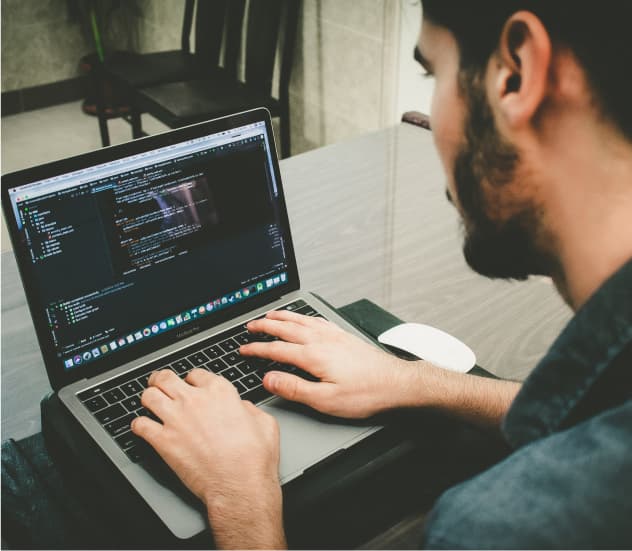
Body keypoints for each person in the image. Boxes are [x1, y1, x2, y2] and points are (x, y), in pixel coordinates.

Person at [131, 1, 632, 548]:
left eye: (432, 74)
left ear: (515, 72)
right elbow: (593, 404)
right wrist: (413, 380)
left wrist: (240, 496)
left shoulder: (501, 528)